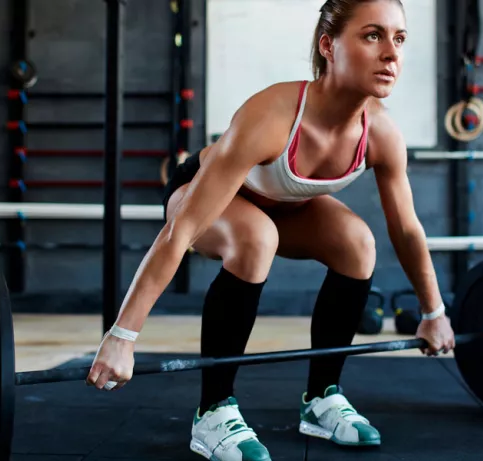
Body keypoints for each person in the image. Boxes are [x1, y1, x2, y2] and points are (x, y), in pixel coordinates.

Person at [87, 0, 455, 459]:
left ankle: (322, 399)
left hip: (279, 206)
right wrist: (122, 337)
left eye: (399, 39)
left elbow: (407, 230)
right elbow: (180, 233)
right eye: (372, 35)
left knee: (358, 243)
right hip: (200, 196)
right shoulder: (274, 115)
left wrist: (433, 310)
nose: (391, 53)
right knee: (256, 238)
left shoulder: (380, 133)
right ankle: (213, 413)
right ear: (328, 45)